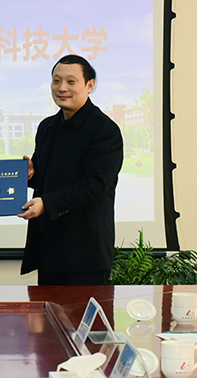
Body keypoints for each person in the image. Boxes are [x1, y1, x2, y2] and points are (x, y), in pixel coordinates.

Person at [18, 55, 123, 285]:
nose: (62, 88)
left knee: (83, 310)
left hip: (85, 254)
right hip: (48, 248)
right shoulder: (47, 126)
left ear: (90, 85)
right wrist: (30, 173)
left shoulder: (104, 130)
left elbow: (95, 184)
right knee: (48, 310)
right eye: (56, 81)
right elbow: (49, 177)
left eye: (71, 81)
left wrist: (47, 203)